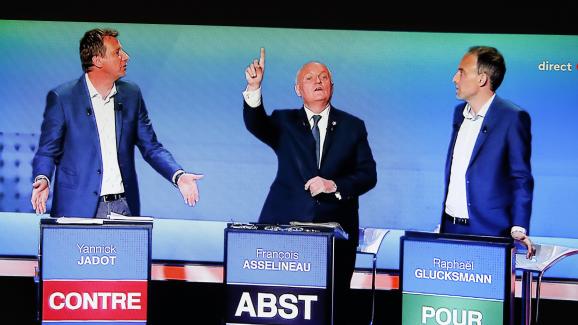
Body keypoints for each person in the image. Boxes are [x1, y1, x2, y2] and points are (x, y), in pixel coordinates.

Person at [243, 48, 377, 324]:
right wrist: (254, 88)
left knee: (331, 307)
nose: (318, 82)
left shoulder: (353, 127)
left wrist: (334, 185)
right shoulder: (283, 121)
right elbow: (257, 124)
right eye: (310, 78)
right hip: (285, 228)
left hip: (336, 233)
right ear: (297, 89)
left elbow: (368, 174)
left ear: (332, 86)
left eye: (324, 77)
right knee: (279, 299)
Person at [31, 28, 203, 218]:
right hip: (76, 207)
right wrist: (43, 178)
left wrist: (178, 176)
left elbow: (151, 147)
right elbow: (47, 150)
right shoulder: (63, 98)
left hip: (123, 207)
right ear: (97, 60)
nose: (126, 57)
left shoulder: (131, 95)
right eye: (117, 53)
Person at [441, 46, 535, 258]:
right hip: (450, 229)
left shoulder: (512, 117)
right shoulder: (459, 114)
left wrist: (518, 228)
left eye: (461, 72)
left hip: (489, 232)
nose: (454, 78)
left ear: (482, 79)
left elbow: (520, 177)